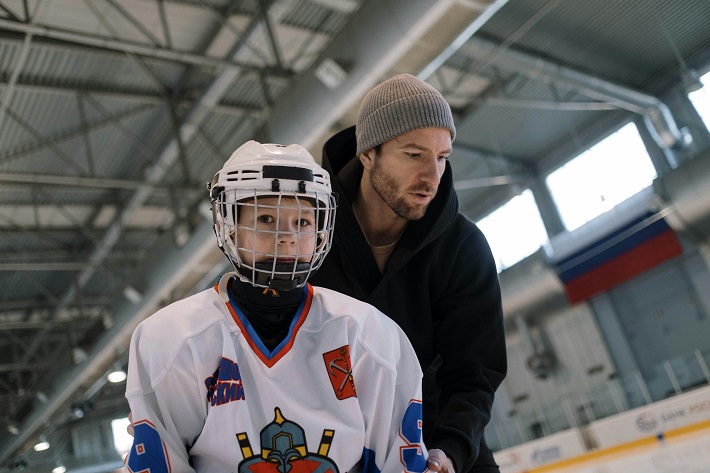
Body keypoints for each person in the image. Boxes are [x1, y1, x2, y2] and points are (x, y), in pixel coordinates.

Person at [124, 140, 429, 473]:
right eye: (266, 218)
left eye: (302, 222)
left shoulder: (369, 336)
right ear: (230, 226)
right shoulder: (171, 340)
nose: (287, 236)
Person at [308, 74, 507, 473]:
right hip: (332, 449)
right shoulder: (307, 238)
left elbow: (474, 375)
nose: (432, 176)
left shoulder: (462, 247)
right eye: (414, 155)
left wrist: (449, 450)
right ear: (368, 153)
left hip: (438, 443)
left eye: (443, 156)